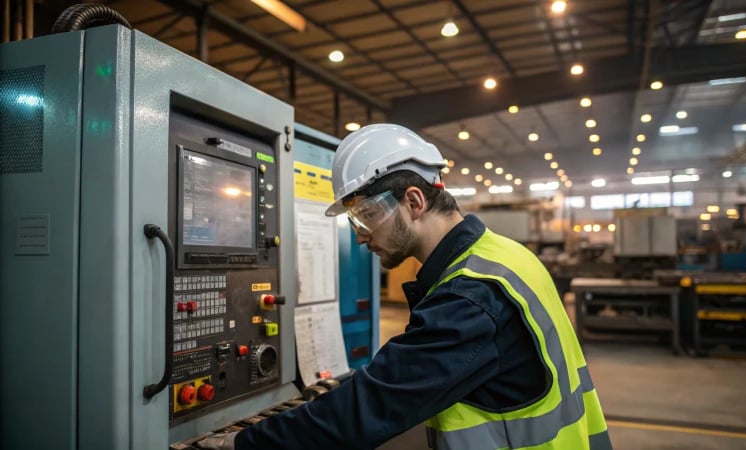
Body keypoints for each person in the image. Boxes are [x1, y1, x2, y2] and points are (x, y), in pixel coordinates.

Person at [198, 123, 612, 449]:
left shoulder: (469, 296)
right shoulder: (504, 255)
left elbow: (370, 408)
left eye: (365, 218)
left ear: (414, 202)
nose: (360, 236)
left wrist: (246, 442)